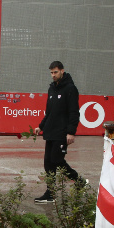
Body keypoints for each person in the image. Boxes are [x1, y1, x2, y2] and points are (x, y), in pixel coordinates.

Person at [33, 61, 80, 203]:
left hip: (62, 132)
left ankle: (78, 180)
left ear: (62, 71)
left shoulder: (70, 88)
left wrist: (71, 132)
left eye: (55, 72)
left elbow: (74, 112)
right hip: (50, 132)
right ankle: (51, 194)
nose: (53, 75)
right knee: (48, 163)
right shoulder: (52, 89)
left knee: (57, 160)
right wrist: (41, 126)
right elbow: (49, 113)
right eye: (51, 73)